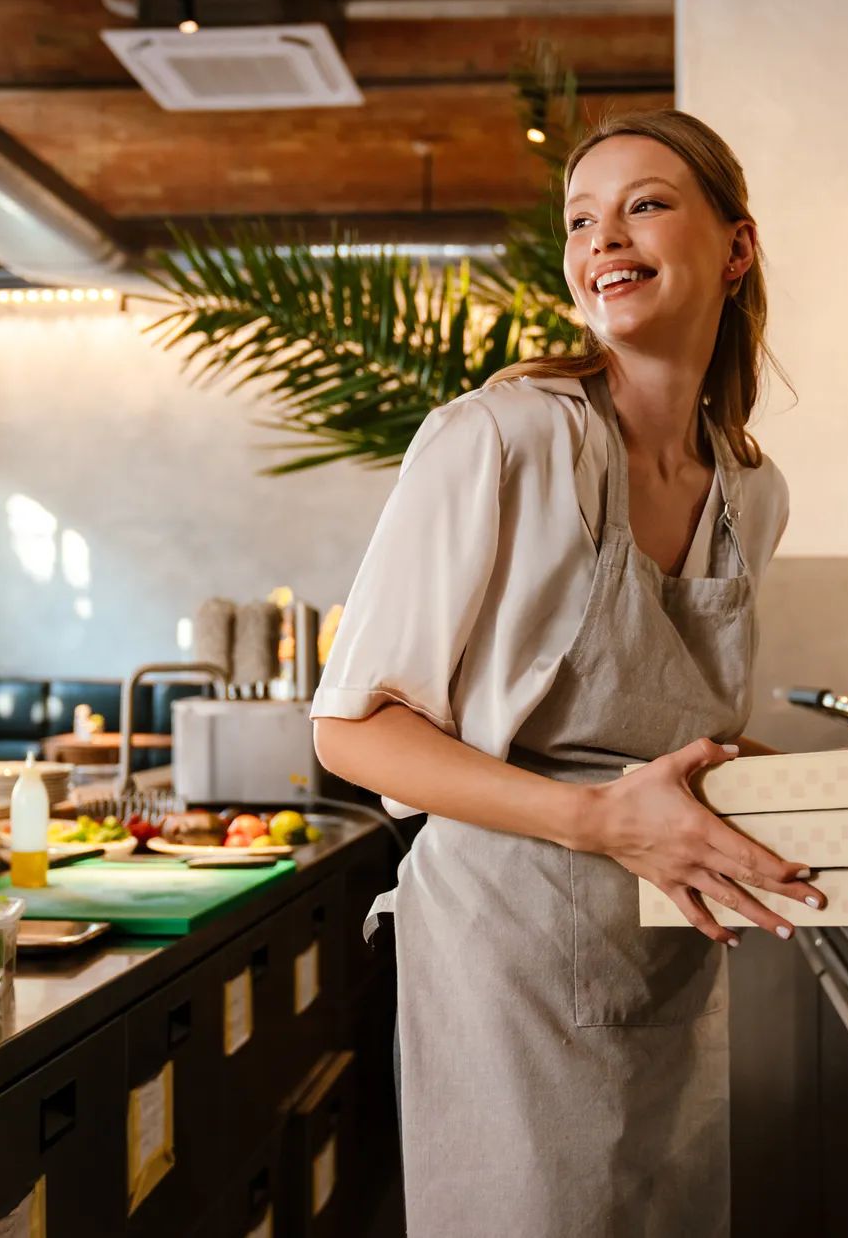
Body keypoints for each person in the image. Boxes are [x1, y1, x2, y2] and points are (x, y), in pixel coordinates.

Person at [311, 108, 822, 1236]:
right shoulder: (497, 437)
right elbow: (352, 730)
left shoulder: (752, 488)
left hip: (667, 940)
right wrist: (595, 817)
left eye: (645, 204)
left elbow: (670, 718)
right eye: (580, 219)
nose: (605, 240)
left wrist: (768, 794)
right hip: (506, 944)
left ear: (735, 248)